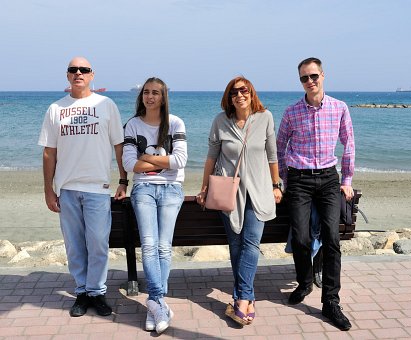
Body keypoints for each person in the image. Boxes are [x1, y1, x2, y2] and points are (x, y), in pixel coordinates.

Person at [38, 57, 127, 317]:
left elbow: (118, 145)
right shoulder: (56, 108)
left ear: (92, 75)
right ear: (67, 76)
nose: (78, 73)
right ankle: (82, 292)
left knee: (98, 242)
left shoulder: (106, 105)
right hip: (67, 188)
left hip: (98, 187)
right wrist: (48, 189)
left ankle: (97, 292)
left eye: (84, 70)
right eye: (73, 70)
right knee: (74, 245)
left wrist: (123, 179)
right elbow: (48, 153)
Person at [277, 57, 355, 331]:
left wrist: (346, 179)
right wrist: (285, 180)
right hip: (299, 180)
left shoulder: (339, 108)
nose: (309, 81)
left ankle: (331, 301)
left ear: (323, 76)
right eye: (304, 78)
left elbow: (349, 144)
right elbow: (280, 147)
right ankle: (305, 282)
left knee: (332, 239)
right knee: (300, 237)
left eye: (313, 76)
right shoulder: (291, 111)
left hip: (328, 180)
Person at [196, 76, 282, 326]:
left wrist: (276, 185)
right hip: (229, 192)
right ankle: (248, 297)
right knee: (236, 245)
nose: (239, 95)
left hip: (259, 191)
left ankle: (241, 298)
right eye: (234, 92)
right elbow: (211, 157)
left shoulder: (265, 117)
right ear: (229, 97)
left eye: (244, 90)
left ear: (252, 93)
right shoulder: (220, 121)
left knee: (251, 244)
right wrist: (204, 187)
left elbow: (272, 156)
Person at [122, 77, 187, 334]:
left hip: (172, 190)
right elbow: (129, 164)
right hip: (143, 189)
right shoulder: (133, 124)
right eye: (146, 92)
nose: (150, 97)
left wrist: (146, 157)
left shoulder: (175, 123)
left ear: (163, 97)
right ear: (142, 96)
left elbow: (180, 160)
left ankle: (155, 302)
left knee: (164, 246)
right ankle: (158, 301)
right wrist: (163, 160)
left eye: (156, 93)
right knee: (149, 245)